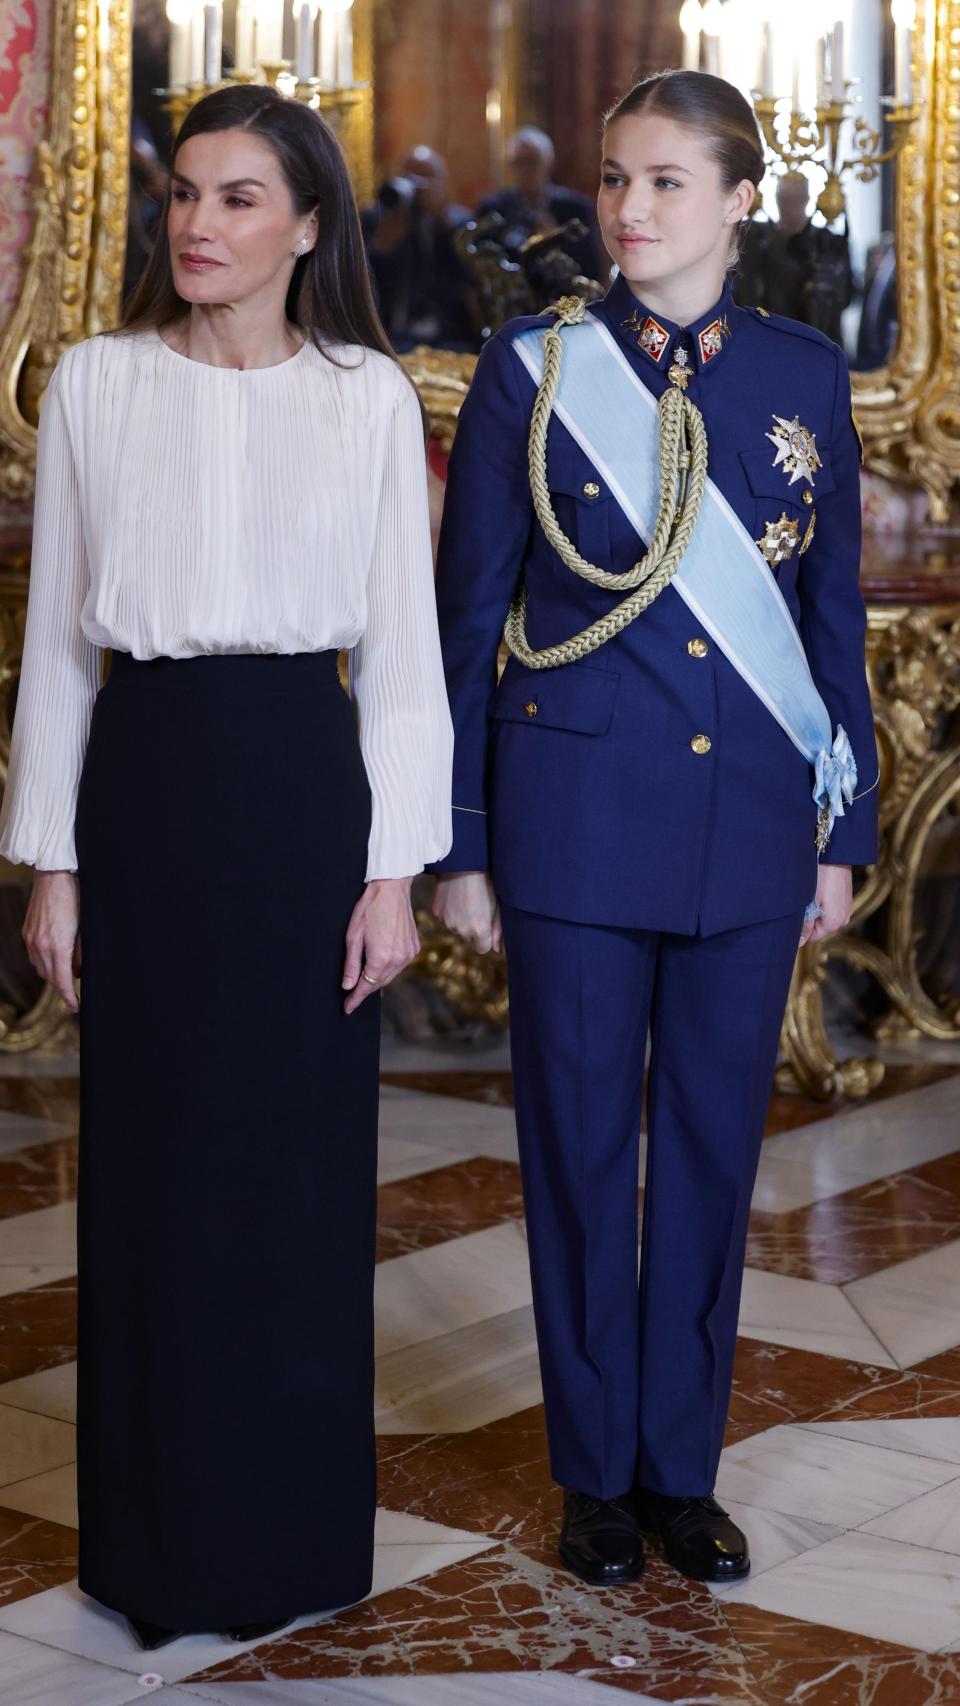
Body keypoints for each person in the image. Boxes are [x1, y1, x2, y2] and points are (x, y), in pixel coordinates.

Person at [0, 84, 452, 1648]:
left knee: (297, 1178)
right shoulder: (96, 386)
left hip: (304, 803)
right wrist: (50, 864)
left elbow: (403, 657)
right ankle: (153, 1545)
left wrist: (395, 869)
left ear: (309, 223)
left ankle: (291, 1541)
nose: (198, 223)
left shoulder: (368, 400)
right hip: (147, 792)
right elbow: (60, 647)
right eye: (185, 193)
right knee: (150, 1172)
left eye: (239, 197)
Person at [430, 70, 878, 1589]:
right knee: (575, 1148)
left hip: (750, 821)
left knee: (708, 1148)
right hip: (569, 822)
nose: (628, 207)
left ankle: (680, 1470)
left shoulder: (806, 375)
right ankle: (593, 1473)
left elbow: (831, 620)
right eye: (616, 179)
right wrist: (465, 840)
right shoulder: (532, 368)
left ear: (741, 200)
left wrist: (844, 825)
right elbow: (466, 620)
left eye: (667, 181)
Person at [362, 146, 475, 350]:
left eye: (427, 178)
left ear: (443, 182)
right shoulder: (376, 220)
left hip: (449, 336)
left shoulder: (460, 223)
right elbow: (363, 280)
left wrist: (444, 224)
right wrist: (382, 245)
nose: (418, 186)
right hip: (391, 333)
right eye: (411, 177)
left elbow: (468, 277)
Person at [735, 171, 853, 345]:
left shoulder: (826, 243)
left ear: (805, 200)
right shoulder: (758, 239)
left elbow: (844, 295)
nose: (787, 206)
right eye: (782, 199)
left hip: (814, 339)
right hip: (767, 337)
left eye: (794, 199)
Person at [475, 126, 603, 285]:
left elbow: (591, 267)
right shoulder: (492, 209)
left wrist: (555, 238)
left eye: (532, 162)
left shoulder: (576, 208)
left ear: (549, 163)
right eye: (518, 163)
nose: (525, 170)